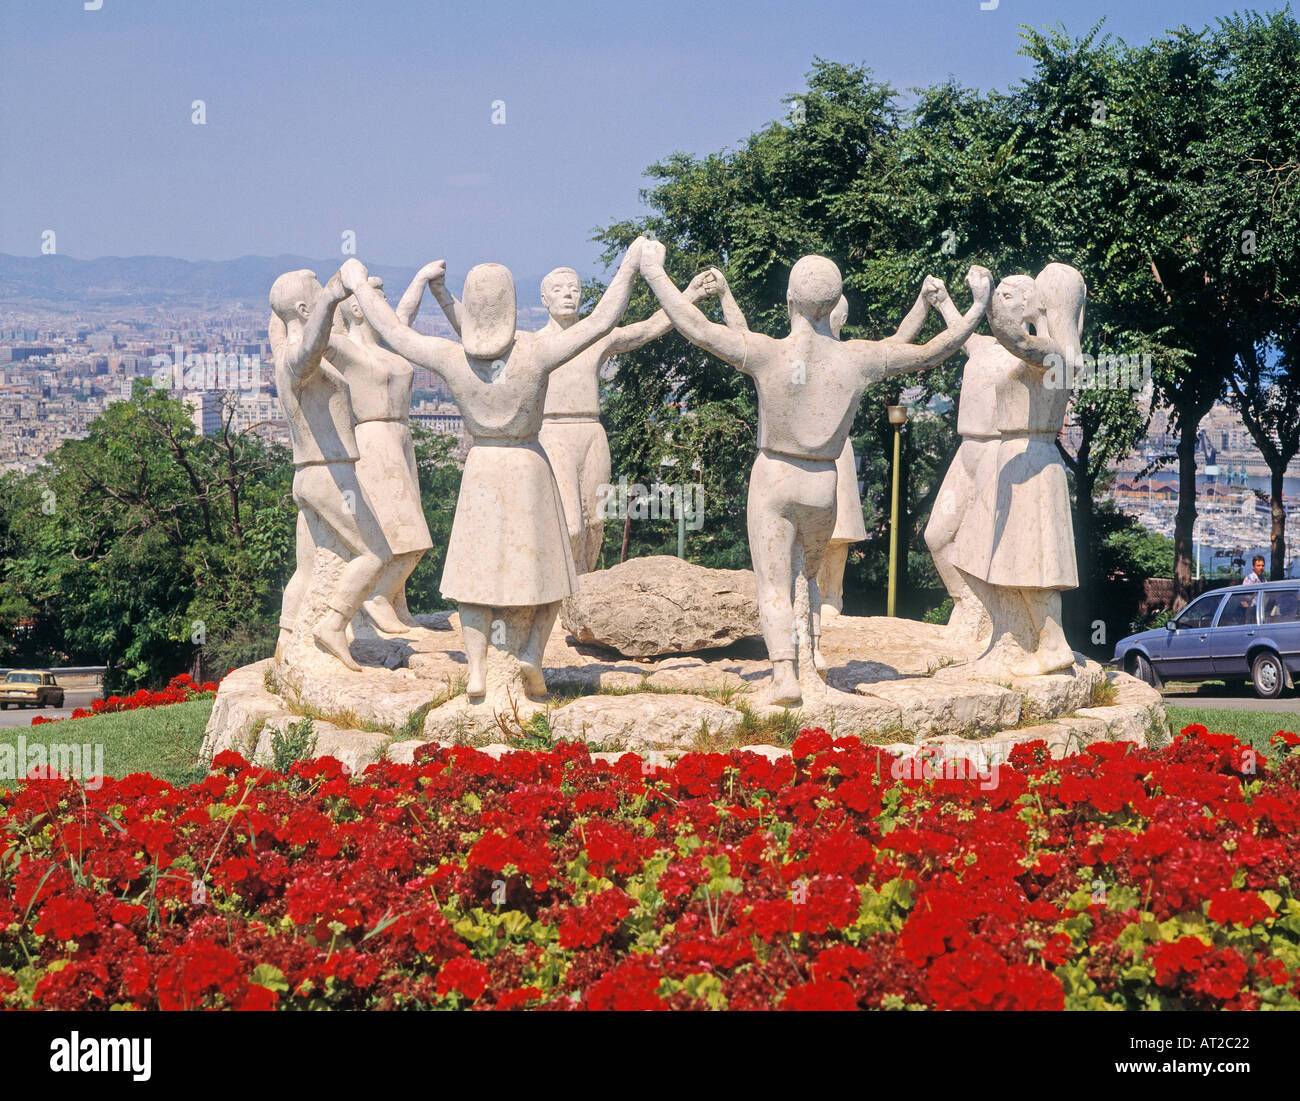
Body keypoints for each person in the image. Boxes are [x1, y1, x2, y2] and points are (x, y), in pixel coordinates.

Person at [640, 241, 992, 705]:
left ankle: (785, 674)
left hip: (775, 475)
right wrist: (978, 305)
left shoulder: (768, 353)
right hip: (823, 481)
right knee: (809, 577)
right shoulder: (858, 358)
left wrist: (653, 271)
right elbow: (933, 349)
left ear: (789, 300)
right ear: (834, 305)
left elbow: (695, 326)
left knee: (773, 583)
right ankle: (809, 662)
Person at [338, 239, 646, 699]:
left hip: (481, 467)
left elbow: (396, 333)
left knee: (475, 576)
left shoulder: (450, 357)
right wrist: (632, 264)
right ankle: (531, 658)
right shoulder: (535, 354)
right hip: (527, 465)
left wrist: (359, 283)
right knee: (552, 573)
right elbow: (603, 319)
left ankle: (478, 669)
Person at [429, 265, 719, 572]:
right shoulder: (531, 343)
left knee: (595, 523)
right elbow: (477, 329)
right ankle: (563, 593)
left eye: (574, 289)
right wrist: (441, 293)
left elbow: (648, 328)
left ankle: (584, 587)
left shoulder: (597, 337)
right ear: (544, 299)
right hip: (552, 432)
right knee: (570, 526)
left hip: (592, 433)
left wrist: (691, 294)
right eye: (558, 289)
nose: (568, 295)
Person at [269, 269, 388, 671]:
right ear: (306, 309)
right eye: (315, 296)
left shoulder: (281, 350)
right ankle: (333, 624)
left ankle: (286, 643)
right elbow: (310, 349)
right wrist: (333, 295)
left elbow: (288, 322)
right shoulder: (297, 356)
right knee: (375, 553)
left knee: (307, 569)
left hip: (307, 476)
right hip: (328, 474)